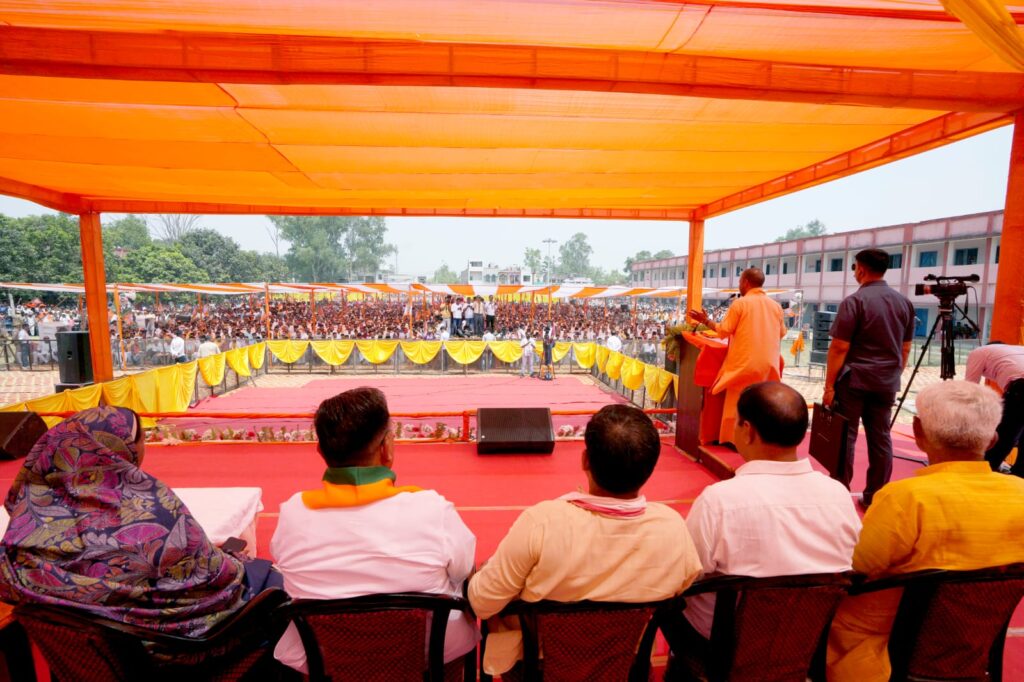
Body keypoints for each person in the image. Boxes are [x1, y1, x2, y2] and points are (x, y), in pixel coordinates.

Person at [468, 404, 702, 677]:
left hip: (540, 671)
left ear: (585, 460)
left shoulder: (543, 522)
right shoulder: (672, 528)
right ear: (650, 467)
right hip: (626, 668)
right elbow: (683, 589)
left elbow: (482, 601)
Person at [827, 381, 1024, 681]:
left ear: (917, 432)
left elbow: (857, 570)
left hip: (887, 648)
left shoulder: (906, 498)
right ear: (994, 439)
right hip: (975, 642)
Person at [271, 387, 477, 673]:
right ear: (387, 447)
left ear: (320, 450)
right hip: (427, 661)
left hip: (329, 661)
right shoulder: (431, 509)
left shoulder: (293, 513)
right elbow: (464, 570)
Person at [0, 406, 249, 636]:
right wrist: (234, 562)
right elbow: (217, 581)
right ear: (119, 448)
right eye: (140, 438)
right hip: (171, 649)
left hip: (88, 658)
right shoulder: (158, 515)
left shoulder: (26, 533)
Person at [662, 383, 860, 658]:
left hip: (722, 650)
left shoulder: (720, 501)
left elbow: (684, 575)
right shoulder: (838, 495)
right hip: (806, 642)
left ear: (748, 430)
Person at [822, 248, 915, 507]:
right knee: (881, 437)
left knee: (846, 437)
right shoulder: (904, 302)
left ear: (861, 269)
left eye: (854, 268)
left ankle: (839, 494)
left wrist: (829, 386)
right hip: (886, 381)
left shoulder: (854, 302)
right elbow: (905, 348)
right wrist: (893, 372)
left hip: (855, 379)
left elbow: (839, 347)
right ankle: (876, 495)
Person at [688, 267, 785, 445]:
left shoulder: (740, 303)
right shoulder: (776, 306)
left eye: (740, 281)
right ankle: (760, 439)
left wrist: (705, 320)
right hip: (769, 365)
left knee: (738, 400)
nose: (739, 285)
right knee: (761, 401)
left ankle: (734, 440)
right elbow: (782, 333)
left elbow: (724, 331)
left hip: (745, 365)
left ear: (746, 282)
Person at [965, 341, 1024, 477]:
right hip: (1019, 386)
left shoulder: (980, 351)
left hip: (1021, 387)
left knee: (1004, 436)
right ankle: (1019, 479)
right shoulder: (1014, 350)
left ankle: (982, 474)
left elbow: (970, 388)